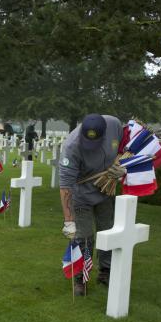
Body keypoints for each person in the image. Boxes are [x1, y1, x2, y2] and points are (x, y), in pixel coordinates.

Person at [59, 113, 123, 296]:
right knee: (84, 236)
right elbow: (65, 188)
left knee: (108, 231)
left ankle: (106, 272)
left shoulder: (114, 124)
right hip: (81, 194)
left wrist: (121, 165)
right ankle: (81, 278)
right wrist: (68, 220)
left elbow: (122, 146)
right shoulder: (72, 146)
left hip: (106, 189)